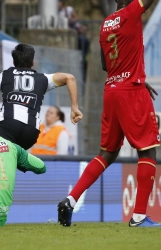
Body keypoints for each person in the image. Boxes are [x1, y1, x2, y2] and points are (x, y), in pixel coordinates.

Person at [57, 0, 161, 227]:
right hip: (130, 91)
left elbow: (106, 64)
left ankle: (70, 199)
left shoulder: (105, 24)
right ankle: (139, 216)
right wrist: (133, 75)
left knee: (108, 153)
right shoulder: (133, 11)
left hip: (111, 91)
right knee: (148, 151)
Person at [0, 43, 83, 151]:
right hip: (30, 133)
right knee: (13, 153)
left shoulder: (5, 75)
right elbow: (70, 78)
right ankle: (22, 161)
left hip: (7, 128)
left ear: (13, 62)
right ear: (32, 62)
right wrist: (74, 108)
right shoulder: (43, 79)